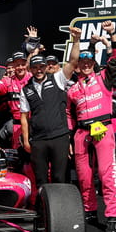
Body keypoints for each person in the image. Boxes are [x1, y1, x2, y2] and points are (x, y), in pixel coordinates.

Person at [66, 21, 116, 232]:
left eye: (89, 62)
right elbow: (68, 114)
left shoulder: (104, 77)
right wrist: (70, 138)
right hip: (81, 133)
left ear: (94, 63)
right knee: (84, 175)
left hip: (103, 128)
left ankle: (112, 216)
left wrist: (113, 34)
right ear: (77, 66)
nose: (86, 65)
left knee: (106, 174)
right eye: (82, 62)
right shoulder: (72, 89)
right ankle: (89, 210)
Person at [20, 26, 80, 185]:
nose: (39, 70)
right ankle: (43, 202)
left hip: (59, 137)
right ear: (30, 69)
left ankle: (59, 202)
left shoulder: (58, 79)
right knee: (40, 179)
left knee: (59, 177)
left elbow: (73, 62)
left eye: (41, 67)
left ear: (46, 67)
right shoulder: (26, 89)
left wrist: (76, 40)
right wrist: (26, 140)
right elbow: (24, 117)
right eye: (35, 67)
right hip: (38, 140)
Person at [0, 51, 31, 149]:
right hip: (17, 125)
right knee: (18, 153)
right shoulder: (8, 81)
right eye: (17, 65)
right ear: (13, 66)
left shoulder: (33, 78)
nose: (20, 67)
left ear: (27, 64)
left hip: (34, 124)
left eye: (22, 64)